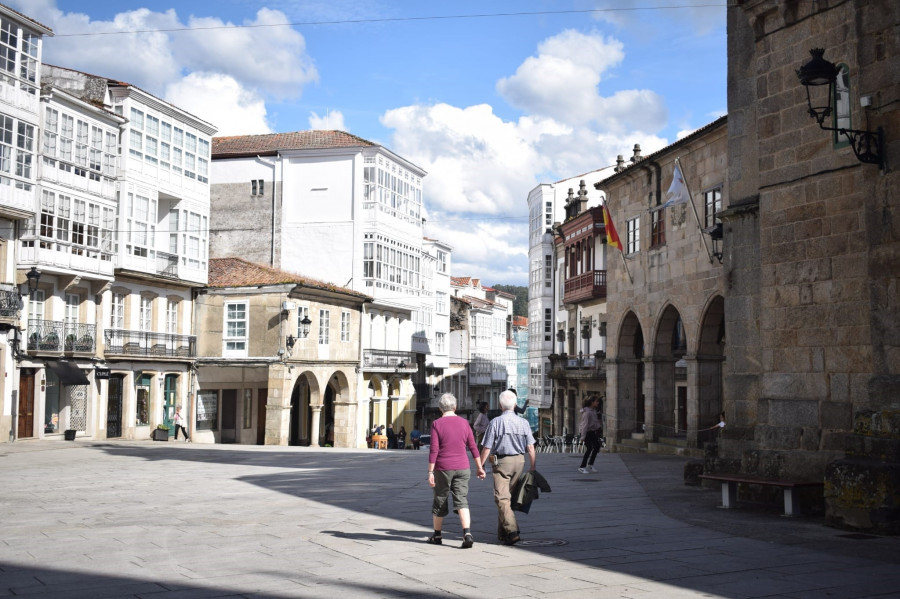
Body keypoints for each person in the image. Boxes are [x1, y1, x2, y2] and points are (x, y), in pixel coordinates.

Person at [427, 393, 486, 548]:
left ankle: (437, 535)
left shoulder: (437, 424)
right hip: (463, 467)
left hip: (442, 468)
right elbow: (473, 447)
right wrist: (479, 467)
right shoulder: (464, 423)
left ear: (440, 408)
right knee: (462, 499)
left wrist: (430, 472)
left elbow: (434, 449)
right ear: (455, 407)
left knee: (440, 499)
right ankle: (467, 533)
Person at [479, 389, 536, 546]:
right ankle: (503, 534)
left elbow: (487, 448)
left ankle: (512, 531)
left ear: (500, 405)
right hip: (519, 461)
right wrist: (532, 466)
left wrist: (480, 466)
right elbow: (531, 447)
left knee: (501, 497)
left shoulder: (496, 422)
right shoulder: (523, 422)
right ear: (515, 404)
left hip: (501, 462)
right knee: (507, 498)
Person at [577, 397, 602, 474]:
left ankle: (590, 464)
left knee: (597, 446)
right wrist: (582, 438)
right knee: (589, 448)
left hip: (591, 432)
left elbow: (594, 423)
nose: (598, 403)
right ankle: (582, 467)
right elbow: (584, 426)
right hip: (586, 432)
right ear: (592, 402)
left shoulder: (593, 411)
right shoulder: (587, 413)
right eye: (596, 401)